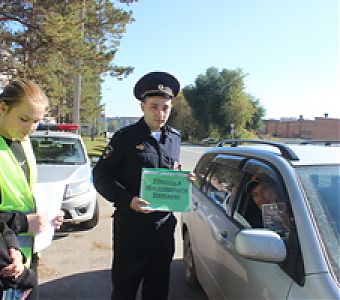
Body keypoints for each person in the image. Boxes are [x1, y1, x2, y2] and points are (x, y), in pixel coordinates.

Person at [93, 71, 182, 300]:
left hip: (163, 228)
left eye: (166, 107)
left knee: (158, 288)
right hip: (132, 229)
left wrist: (180, 180)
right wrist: (128, 200)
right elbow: (101, 176)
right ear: (142, 106)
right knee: (125, 288)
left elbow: (168, 173)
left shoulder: (174, 138)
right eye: (154, 106)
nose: (161, 114)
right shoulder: (125, 138)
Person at [0, 79, 64, 300]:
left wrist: (48, 215)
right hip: (5, 260)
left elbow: (23, 195)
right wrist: (25, 222)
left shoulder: (23, 141)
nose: (30, 128)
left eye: (37, 121)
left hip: (25, 258)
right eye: (24, 119)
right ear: (3, 108)